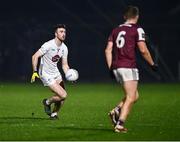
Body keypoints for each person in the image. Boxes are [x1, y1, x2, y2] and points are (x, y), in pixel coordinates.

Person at [105, 6, 158, 133]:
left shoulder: (116, 30)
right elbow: (143, 50)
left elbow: (107, 50)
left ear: (125, 17)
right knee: (131, 96)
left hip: (117, 67)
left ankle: (116, 110)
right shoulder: (137, 29)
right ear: (137, 16)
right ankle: (120, 124)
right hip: (128, 66)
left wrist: (111, 68)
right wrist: (152, 64)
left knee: (135, 95)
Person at [31, 24, 70, 119]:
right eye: (61, 32)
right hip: (45, 73)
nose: (63, 34)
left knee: (61, 96)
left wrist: (69, 74)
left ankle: (54, 114)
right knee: (63, 95)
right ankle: (47, 102)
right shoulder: (48, 45)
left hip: (55, 72)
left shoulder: (64, 48)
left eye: (64, 32)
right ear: (56, 34)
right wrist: (34, 71)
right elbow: (35, 56)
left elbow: (64, 65)